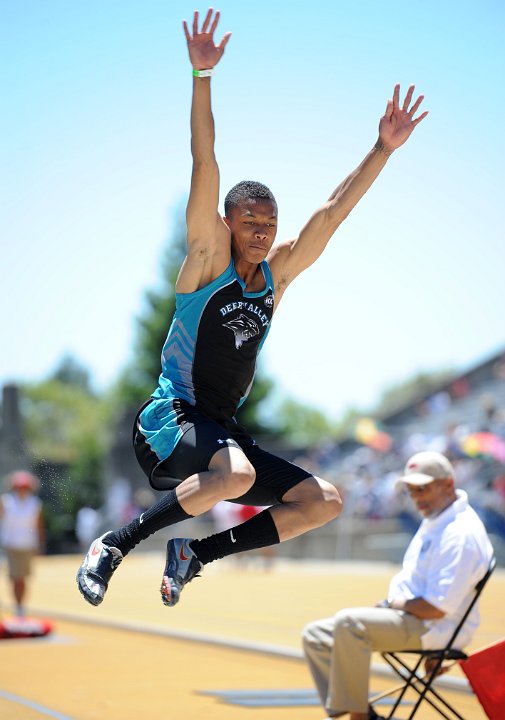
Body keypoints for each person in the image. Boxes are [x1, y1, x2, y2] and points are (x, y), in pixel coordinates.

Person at [77, 8, 428, 609]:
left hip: (221, 433)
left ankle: (195, 555)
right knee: (236, 475)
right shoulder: (206, 261)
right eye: (251, 223)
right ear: (228, 225)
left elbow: (334, 212)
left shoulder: (277, 276)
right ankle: (114, 544)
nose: (263, 234)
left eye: (270, 224)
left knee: (322, 500)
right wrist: (201, 77)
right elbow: (204, 163)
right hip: (170, 419)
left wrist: (381, 148)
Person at [302, 451, 494, 720]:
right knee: (316, 635)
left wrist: (389, 605)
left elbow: (436, 608)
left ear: (448, 484)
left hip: (434, 625)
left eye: (423, 488)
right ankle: (358, 712)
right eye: (411, 490)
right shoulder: (438, 520)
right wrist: (390, 607)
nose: (416, 497)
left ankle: (359, 718)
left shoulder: (459, 532)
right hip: (415, 618)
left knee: (350, 623)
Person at [0, 471, 45, 617]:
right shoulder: (6, 502)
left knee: (23, 578)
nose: (22, 491)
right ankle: (18, 604)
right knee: (15, 578)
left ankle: (20, 605)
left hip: (27, 545)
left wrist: (39, 545)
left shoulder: (35, 504)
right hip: (12, 545)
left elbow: (39, 526)